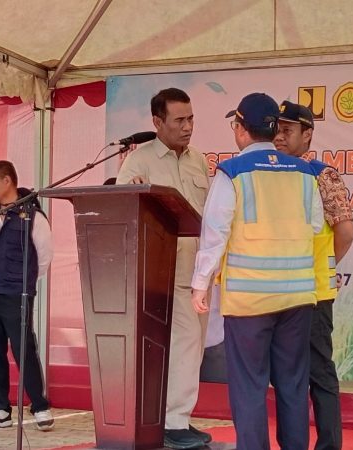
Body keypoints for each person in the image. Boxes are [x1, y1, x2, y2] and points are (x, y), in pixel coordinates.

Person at [190, 93, 323, 450]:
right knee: (293, 383)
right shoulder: (305, 172)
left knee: (249, 385)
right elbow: (314, 226)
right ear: (275, 129)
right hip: (297, 296)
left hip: (249, 299)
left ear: (240, 128)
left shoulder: (232, 172)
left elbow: (215, 234)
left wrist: (200, 284)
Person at [116, 87, 211, 450]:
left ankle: (176, 418)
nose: (188, 127)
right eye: (179, 120)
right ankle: (172, 422)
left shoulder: (198, 160)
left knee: (192, 348)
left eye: (191, 119)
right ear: (157, 122)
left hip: (197, 273)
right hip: (161, 273)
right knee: (184, 343)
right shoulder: (138, 162)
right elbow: (121, 213)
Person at [274, 101, 353, 450]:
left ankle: (328, 446)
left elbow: (345, 232)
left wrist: (324, 264)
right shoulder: (270, 172)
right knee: (286, 375)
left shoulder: (323, 175)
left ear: (307, 135)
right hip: (277, 291)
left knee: (319, 372)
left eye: (287, 130)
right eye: (276, 129)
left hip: (314, 293)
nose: (279, 137)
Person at [0, 160, 55, 431]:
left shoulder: (32, 216)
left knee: (23, 348)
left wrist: (23, 282)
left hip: (16, 293)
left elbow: (44, 257)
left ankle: (40, 406)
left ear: (7, 181)